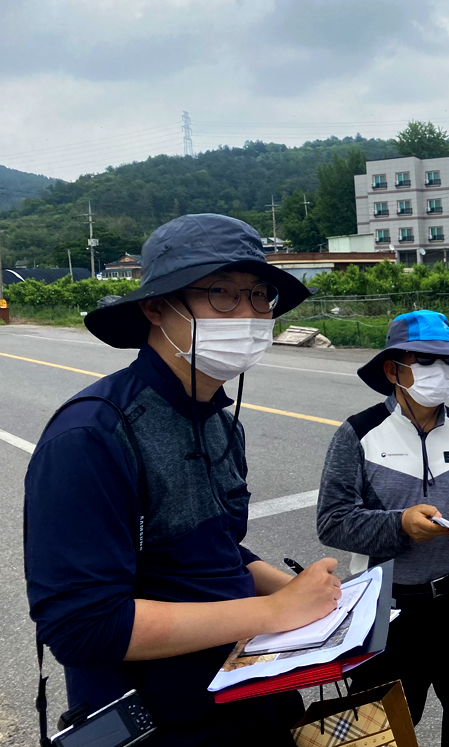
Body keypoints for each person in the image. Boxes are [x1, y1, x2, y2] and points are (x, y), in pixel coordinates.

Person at [24, 214, 343, 746]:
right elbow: (84, 627)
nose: (248, 314)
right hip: (160, 723)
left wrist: (292, 589)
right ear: (155, 307)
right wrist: (273, 610)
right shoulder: (92, 436)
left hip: (251, 693)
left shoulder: (220, 421)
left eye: (259, 295)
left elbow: (212, 546)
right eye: (221, 293)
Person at [317, 310, 449, 747]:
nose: (440, 372)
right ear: (393, 370)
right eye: (425, 360)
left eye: (448, 362)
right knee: (379, 736)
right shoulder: (358, 435)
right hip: (386, 609)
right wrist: (399, 526)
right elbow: (332, 521)